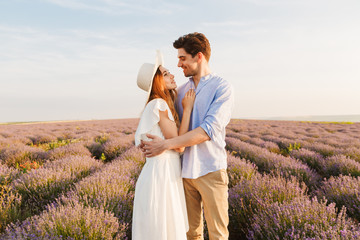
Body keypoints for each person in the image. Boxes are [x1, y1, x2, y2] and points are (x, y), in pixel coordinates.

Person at [142, 33, 234, 240]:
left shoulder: (222, 87)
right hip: (183, 173)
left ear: (198, 56)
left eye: (182, 58)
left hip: (211, 169)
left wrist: (165, 145)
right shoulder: (181, 91)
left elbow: (207, 131)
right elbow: (168, 123)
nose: (179, 64)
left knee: (218, 234)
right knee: (191, 234)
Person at [132, 50, 196, 240]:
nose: (172, 75)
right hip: (162, 175)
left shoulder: (157, 104)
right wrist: (188, 108)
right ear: (157, 82)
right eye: (166, 73)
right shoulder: (159, 103)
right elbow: (179, 145)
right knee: (164, 229)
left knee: (161, 229)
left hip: (160, 173)